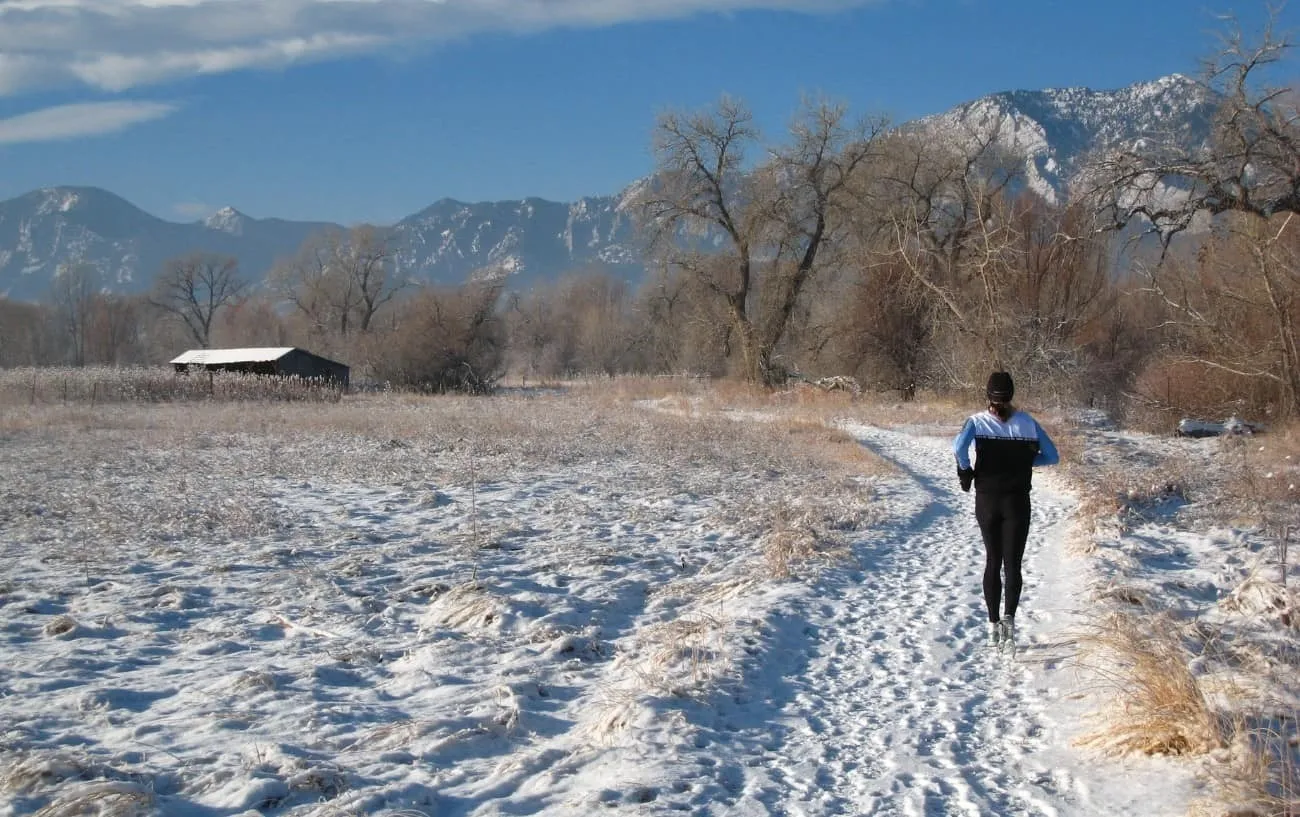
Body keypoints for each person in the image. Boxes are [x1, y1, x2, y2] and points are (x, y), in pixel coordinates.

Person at [952, 371, 1059, 650]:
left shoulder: (976, 422)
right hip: (1017, 501)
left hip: (987, 500)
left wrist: (966, 471)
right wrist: (1023, 464)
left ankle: (992, 625)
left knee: (992, 560)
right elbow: (1052, 456)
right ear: (1011, 395)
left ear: (988, 395)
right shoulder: (1028, 423)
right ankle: (1009, 624)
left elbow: (959, 448)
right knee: (1012, 565)